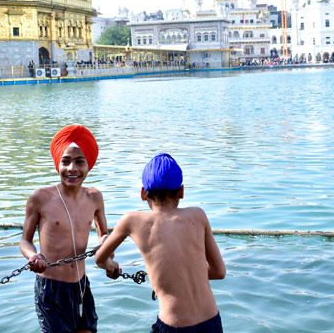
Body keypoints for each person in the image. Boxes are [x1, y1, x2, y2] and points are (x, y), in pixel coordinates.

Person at [95, 153, 226, 333]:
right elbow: (219, 272)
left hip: (175, 326)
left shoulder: (131, 220)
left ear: (143, 193)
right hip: (212, 322)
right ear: (181, 191)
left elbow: (99, 259)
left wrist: (111, 265)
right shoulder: (198, 215)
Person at [20, 125, 110, 333]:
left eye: (80, 162)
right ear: (57, 163)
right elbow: (25, 240)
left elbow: (104, 235)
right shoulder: (40, 197)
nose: (72, 168)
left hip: (81, 285)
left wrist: (107, 253)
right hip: (51, 288)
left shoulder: (95, 197)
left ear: (89, 165)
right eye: (66, 161)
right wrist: (34, 256)